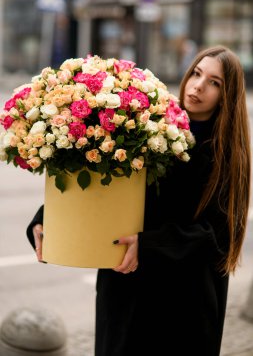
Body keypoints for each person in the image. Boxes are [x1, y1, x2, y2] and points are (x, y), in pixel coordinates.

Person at [27, 45, 251, 356]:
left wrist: (148, 244)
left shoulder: (226, 155)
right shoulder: (148, 125)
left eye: (215, 83)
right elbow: (101, 186)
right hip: (124, 290)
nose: (199, 86)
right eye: (197, 74)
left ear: (228, 96)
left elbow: (214, 236)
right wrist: (47, 217)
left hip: (182, 305)